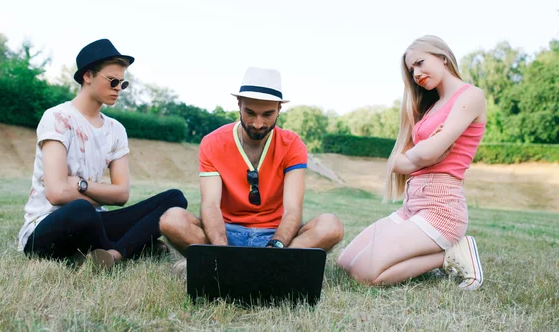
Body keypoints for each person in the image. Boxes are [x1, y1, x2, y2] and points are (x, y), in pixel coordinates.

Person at [18, 38, 188, 268]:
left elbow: (121, 195)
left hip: (96, 219)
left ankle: (114, 253)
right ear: (88, 76)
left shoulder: (116, 130)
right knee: (82, 210)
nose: (118, 88)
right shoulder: (57, 118)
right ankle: (133, 246)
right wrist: (99, 195)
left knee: (174, 198)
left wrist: (80, 184)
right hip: (49, 226)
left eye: (122, 83)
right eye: (113, 81)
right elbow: (56, 194)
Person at [337, 35, 486, 290]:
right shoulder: (429, 109)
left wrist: (417, 156)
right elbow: (397, 162)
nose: (416, 73)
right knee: (345, 263)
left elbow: (427, 154)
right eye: (411, 69)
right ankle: (437, 253)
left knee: (362, 274)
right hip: (412, 205)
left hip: (441, 208)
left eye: (419, 62)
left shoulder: (470, 96)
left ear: (442, 56)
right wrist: (421, 154)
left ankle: (450, 256)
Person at [160, 67, 343, 271]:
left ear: (279, 109)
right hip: (225, 232)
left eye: (267, 114)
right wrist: (221, 248)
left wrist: (277, 245)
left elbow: (292, 210)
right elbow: (210, 205)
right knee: (172, 219)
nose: (257, 124)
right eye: (250, 113)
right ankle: (234, 263)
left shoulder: (292, 144)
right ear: (239, 104)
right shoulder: (213, 143)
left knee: (331, 226)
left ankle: (234, 265)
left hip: (275, 235)